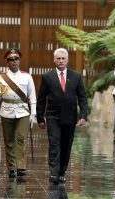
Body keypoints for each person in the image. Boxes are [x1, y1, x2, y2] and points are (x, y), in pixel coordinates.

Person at [37, 48, 88, 185]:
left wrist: (83, 115)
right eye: (58, 58)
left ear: (67, 60)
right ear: (54, 60)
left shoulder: (76, 76)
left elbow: (82, 97)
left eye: (63, 58)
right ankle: (53, 173)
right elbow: (41, 98)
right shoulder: (47, 77)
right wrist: (40, 118)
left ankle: (62, 171)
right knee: (54, 144)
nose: (61, 61)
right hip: (53, 117)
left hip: (70, 118)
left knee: (66, 145)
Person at [0, 48, 36, 179]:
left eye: (16, 59)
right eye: (11, 59)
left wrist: (33, 115)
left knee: (21, 138)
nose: (14, 61)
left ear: (19, 60)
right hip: (6, 111)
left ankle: (20, 166)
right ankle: (11, 167)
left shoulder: (27, 76)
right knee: (9, 140)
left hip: (23, 111)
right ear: (7, 62)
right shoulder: (1, 77)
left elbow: (32, 96)